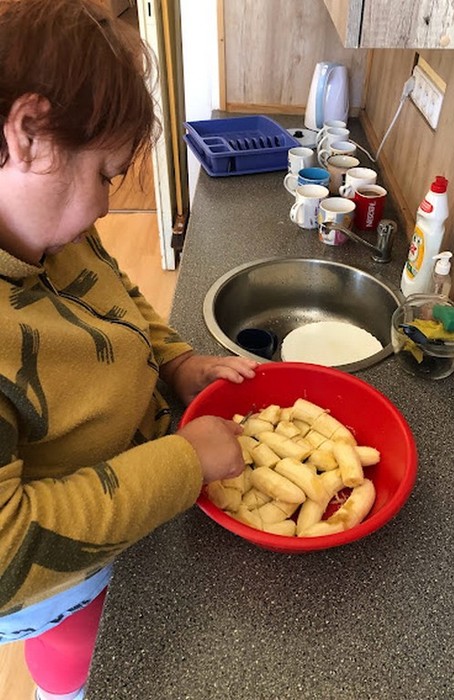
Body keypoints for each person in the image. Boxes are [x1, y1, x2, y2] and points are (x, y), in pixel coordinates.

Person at [0, 1, 258, 698]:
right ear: (29, 135)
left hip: (128, 490)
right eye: (105, 175)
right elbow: (9, 556)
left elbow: (112, 292)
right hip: (58, 574)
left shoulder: (46, 227)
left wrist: (175, 359)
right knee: (79, 649)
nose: (106, 207)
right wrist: (184, 461)